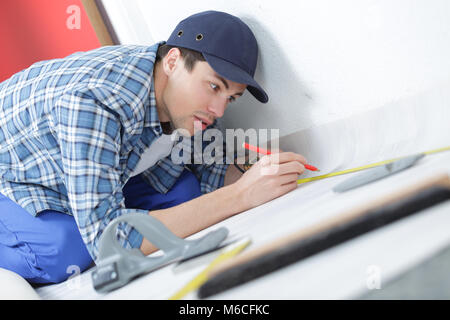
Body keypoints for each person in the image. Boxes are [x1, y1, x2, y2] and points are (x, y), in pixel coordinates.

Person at [0, 10, 307, 284]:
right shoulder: (96, 102)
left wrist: (263, 175)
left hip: (77, 170)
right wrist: (241, 196)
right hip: (14, 176)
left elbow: (211, 173)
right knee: (65, 248)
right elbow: (110, 241)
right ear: (173, 61)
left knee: (185, 191)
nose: (218, 109)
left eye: (230, 98)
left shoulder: (184, 98)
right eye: (213, 87)